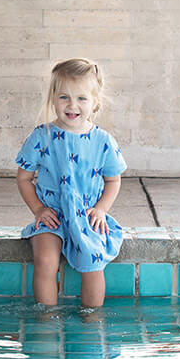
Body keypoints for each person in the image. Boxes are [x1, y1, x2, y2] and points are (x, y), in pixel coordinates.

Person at [15, 58, 126, 308]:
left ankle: (91, 320)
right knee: (45, 260)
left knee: (92, 261)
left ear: (95, 102)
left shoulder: (104, 142)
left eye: (82, 98)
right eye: (64, 97)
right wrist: (39, 210)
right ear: (53, 98)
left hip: (87, 216)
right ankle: (47, 318)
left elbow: (113, 180)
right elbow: (24, 178)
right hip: (52, 217)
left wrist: (101, 209)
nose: (72, 105)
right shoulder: (41, 137)